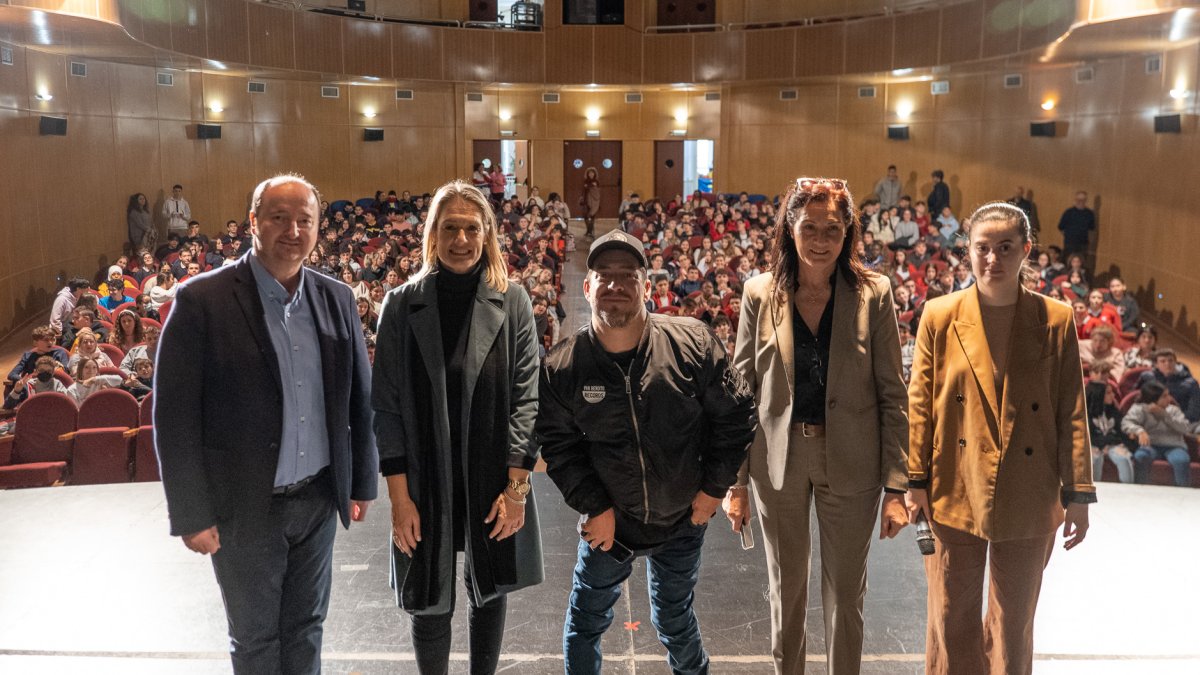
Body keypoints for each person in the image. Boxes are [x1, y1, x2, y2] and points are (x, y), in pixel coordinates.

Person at [155, 173, 378, 674]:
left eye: (305, 220)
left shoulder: (337, 298)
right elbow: (174, 418)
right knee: (256, 639)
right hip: (242, 506)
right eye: (280, 218)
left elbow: (358, 399)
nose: (293, 231)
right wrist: (191, 513)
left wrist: (361, 482)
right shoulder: (201, 301)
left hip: (317, 500)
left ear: (318, 228)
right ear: (253, 222)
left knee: (307, 628)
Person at [538, 229, 757, 675]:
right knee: (585, 623)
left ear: (647, 288)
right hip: (610, 523)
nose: (615, 284)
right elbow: (559, 446)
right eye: (604, 275)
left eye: (628, 275)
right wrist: (594, 505)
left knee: (674, 620)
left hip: (684, 518)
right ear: (587, 286)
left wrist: (713, 490)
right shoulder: (562, 366)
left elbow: (736, 416)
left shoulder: (693, 343)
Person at [727, 177, 909, 675]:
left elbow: (893, 394)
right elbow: (741, 393)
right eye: (809, 227)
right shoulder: (759, 293)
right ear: (790, 228)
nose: (821, 240)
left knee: (846, 594)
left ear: (848, 232)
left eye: (832, 229)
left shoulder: (874, 293)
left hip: (853, 460)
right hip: (776, 460)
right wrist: (736, 483)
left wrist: (897, 487)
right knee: (785, 590)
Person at [907, 202, 1093, 675]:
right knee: (950, 617)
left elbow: (1071, 410)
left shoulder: (1056, 319)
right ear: (967, 250)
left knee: (1014, 625)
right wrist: (914, 482)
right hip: (953, 484)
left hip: (1030, 490)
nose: (993, 259)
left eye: (1005, 248)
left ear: (1026, 250)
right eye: (983, 248)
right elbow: (920, 404)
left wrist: (1078, 494)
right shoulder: (939, 315)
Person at [371, 180, 542, 675]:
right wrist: (399, 501)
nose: (461, 240)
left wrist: (516, 490)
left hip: (493, 479)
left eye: (471, 228)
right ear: (432, 235)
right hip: (423, 480)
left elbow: (527, 401)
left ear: (487, 235)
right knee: (428, 601)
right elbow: (386, 409)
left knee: (488, 592)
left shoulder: (513, 302)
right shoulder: (400, 305)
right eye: (450, 228)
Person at [1122, 380, 1194, 486]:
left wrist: (1164, 415)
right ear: (1153, 399)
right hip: (1150, 445)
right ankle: (1140, 489)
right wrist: (1139, 431)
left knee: (1181, 460)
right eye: (1164, 396)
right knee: (1141, 456)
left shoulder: (1173, 410)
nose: (1169, 399)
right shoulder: (1140, 408)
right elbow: (1126, 423)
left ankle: (1183, 492)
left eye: (1168, 395)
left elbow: (1185, 428)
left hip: (1174, 446)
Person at [1086, 381, 1133, 484]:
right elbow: (1088, 436)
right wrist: (1103, 444)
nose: (1113, 395)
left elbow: (1121, 433)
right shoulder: (1085, 414)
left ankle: (1129, 490)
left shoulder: (1113, 411)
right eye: (1108, 393)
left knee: (1123, 459)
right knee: (1095, 459)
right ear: (1098, 395)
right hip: (1092, 445)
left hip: (1112, 444)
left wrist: (1109, 442)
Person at [1056, 190, 1095, 260]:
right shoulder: (1068, 212)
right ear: (1075, 200)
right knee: (1068, 261)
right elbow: (1061, 227)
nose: (1080, 202)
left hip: (1083, 244)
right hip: (1070, 244)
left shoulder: (1089, 214)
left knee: (1081, 261)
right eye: (1078, 200)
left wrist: (1090, 243)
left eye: (1083, 200)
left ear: (1086, 201)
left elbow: (1091, 230)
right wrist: (1068, 236)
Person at [580, 166, 601, 239]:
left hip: (594, 201)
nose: (591, 174)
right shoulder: (585, 181)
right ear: (587, 174)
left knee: (592, 216)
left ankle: (590, 231)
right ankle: (588, 230)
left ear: (594, 174)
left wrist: (590, 186)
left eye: (592, 173)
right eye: (589, 173)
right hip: (586, 200)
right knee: (585, 216)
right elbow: (583, 190)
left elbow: (597, 192)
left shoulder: (596, 182)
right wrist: (582, 197)